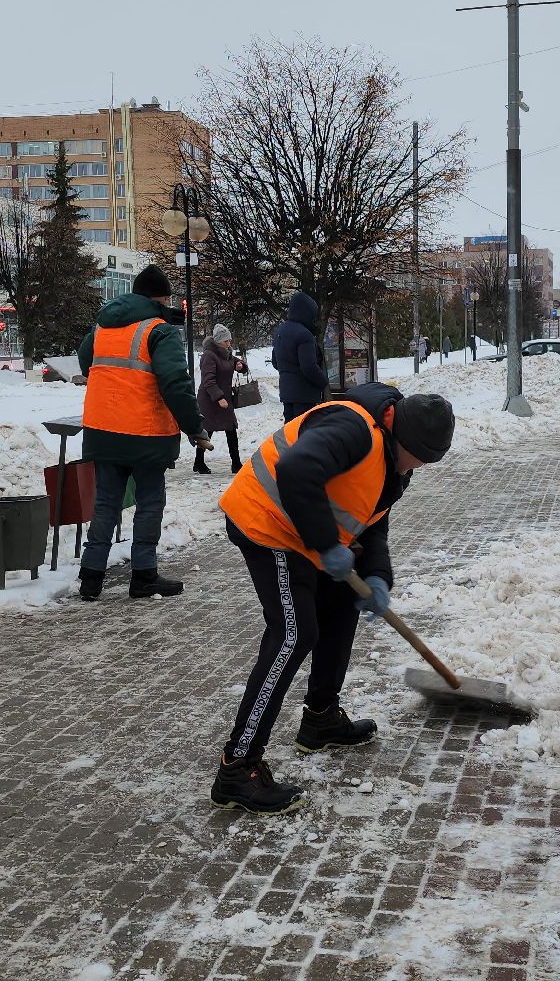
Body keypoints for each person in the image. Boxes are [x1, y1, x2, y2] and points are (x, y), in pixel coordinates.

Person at [212, 384, 456, 814]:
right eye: (416, 457)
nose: (415, 467)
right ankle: (238, 768)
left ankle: (320, 718)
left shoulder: (394, 460)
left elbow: (371, 522)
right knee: (294, 633)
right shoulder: (353, 428)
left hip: (303, 533)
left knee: (343, 602)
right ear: (400, 433)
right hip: (267, 522)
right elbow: (295, 470)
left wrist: (378, 576)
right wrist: (326, 544)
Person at [77, 264, 207, 601]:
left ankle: (91, 579)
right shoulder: (160, 331)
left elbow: (86, 362)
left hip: (102, 428)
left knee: (106, 503)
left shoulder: (103, 325)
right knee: (150, 501)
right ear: (161, 298)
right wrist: (195, 428)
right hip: (144, 432)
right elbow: (176, 384)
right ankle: (144, 575)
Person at [196, 324, 249, 475]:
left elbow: (240, 365)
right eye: (226, 341)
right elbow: (208, 380)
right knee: (207, 431)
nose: (229, 343)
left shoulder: (228, 354)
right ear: (218, 341)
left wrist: (240, 365)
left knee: (231, 429)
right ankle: (199, 462)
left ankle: (236, 463)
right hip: (210, 400)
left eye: (230, 340)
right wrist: (218, 397)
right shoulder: (209, 355)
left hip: (225, 399)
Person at [272, 291, 328, 423]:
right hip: (305, 394)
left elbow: (275, 362)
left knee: (290, 432)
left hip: (286, 393)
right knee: (304, 432)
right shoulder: (305, 335)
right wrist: (323, 381)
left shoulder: (280, 331)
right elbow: (309, 367)